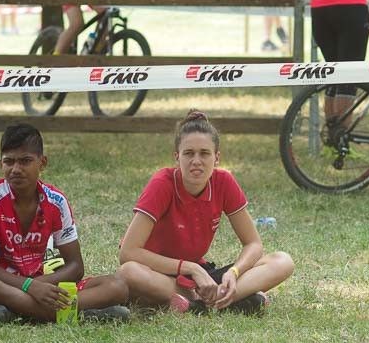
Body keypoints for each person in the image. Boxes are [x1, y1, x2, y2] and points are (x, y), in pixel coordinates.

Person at [117, 111, 293, 314]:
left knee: (282, 261)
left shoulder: (224, 181)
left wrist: (234, 273)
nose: (196, 161)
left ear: (216, 158)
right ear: (177, 157)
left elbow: (253, 244)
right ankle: (225, 300)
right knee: (128, 272)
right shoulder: (161, 183)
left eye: (204, 153)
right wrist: (190, 268)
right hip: (160, 273)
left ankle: (204, 301)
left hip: (201, 277)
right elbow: (128, 253)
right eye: (188, 153)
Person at [0, 123, 130, 324]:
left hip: (37, 283)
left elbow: (75, 266)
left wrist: (39, 285)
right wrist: (29, 287)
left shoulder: (56, 201)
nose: (16, 169)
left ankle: (17, 312)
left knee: (117, 286)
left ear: (42, 163)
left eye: (25, 161)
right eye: (9, 161)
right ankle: (73, 314)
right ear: (1, 164)